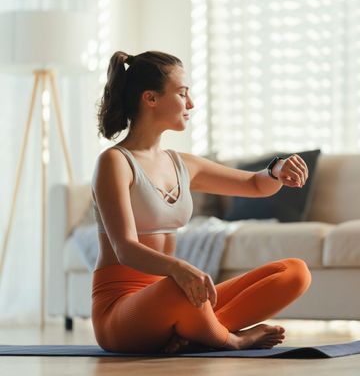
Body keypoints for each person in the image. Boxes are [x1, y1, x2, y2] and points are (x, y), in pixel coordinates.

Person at [91, 50, 312, 354]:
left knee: (295, 272)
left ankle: (190, 333)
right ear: (150, 98)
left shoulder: (183, 164)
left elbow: (254, 184)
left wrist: (276, 169)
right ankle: (230, 339)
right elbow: (124, 248)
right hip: (121, 312)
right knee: (177, 287)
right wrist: (180, 269)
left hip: (175, 299)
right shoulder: (115, 162)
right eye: (182, 94)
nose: (191, 104)